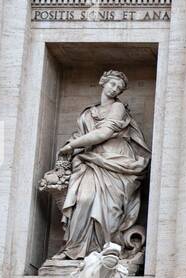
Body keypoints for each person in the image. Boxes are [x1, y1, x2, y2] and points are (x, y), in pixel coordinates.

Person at [50, 70, 150, 260]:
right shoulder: (88, 112)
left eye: (119, 88)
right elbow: (82, 136)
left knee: (110, 208)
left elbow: (103, 134)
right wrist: (70, 148)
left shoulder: (118, 108)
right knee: (84, 200)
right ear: (103, 82)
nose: (115, 89)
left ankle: (105, 249)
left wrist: (71, 146)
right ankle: (74, 249)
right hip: (91, 160)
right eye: (112, 84)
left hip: (115, 160)